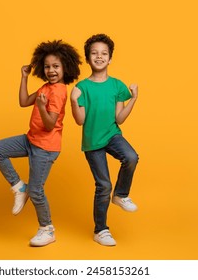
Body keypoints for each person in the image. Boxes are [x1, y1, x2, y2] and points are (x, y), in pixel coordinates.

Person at [0, 40, 81, 246]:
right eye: (47, 66)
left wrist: (41, 107)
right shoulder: (46, 87)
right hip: (31, 139)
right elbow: (23, 102)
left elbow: (49, 126)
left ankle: (47, 229)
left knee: (37, 190)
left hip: (45, 148)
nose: (51, 70)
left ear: (66, 67)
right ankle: (19, 187)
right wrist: (23, 78)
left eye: (56, 66)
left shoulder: (59, 91)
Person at [70, 34, 139, 246]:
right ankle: (101, 230)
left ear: (110, 59)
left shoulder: (117, 86)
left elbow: (119, 118)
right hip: (92, 142)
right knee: (103, 185)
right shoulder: (82, 87)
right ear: (88, 59)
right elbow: (80, 121)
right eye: (94, 53)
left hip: (112, 135)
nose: (99, 57)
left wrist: (133, 98)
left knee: (131, 157)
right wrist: (73, 101)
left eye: (104, 53)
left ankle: (121, 195)